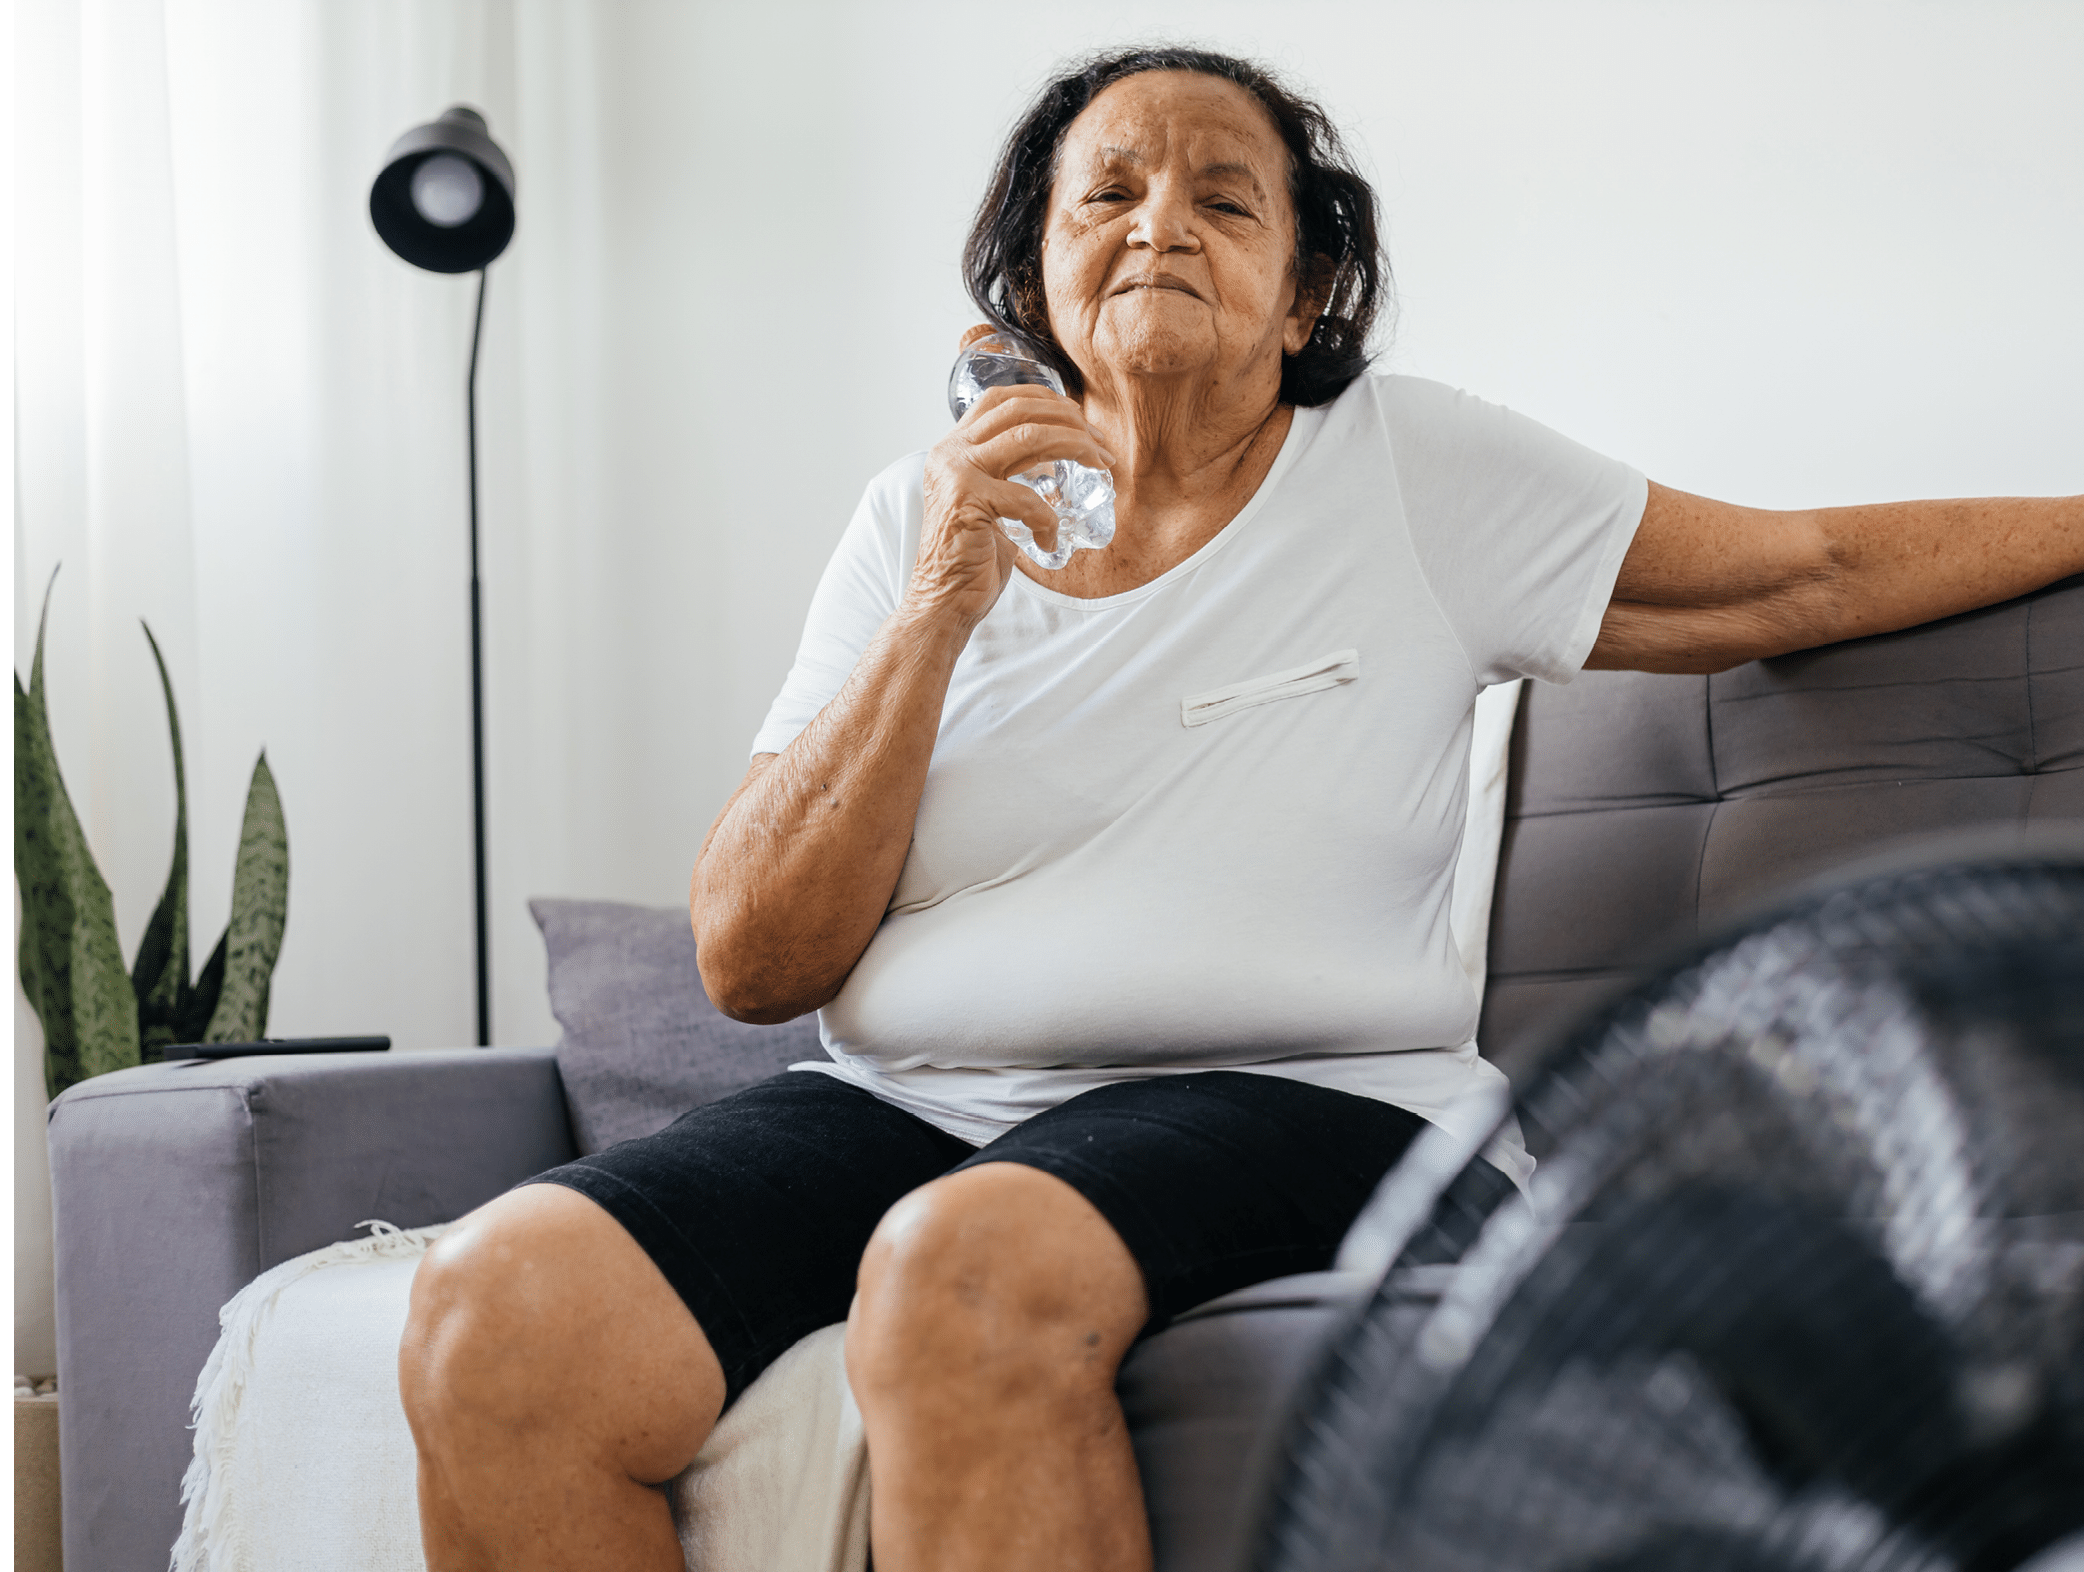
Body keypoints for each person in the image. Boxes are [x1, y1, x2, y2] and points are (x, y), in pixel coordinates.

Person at [397, 45, 2082, 1572]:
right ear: (1034, 278)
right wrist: (937, 609)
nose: (1158, 225)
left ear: (1306, 290)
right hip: (921, 1102)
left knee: (962, 1266)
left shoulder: (1408, 471)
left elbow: (1797, 573)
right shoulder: (920, 519)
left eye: (1223, 196)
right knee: (495, 1312)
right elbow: (753, 961)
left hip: (1322, 1095)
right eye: (1107, 192)